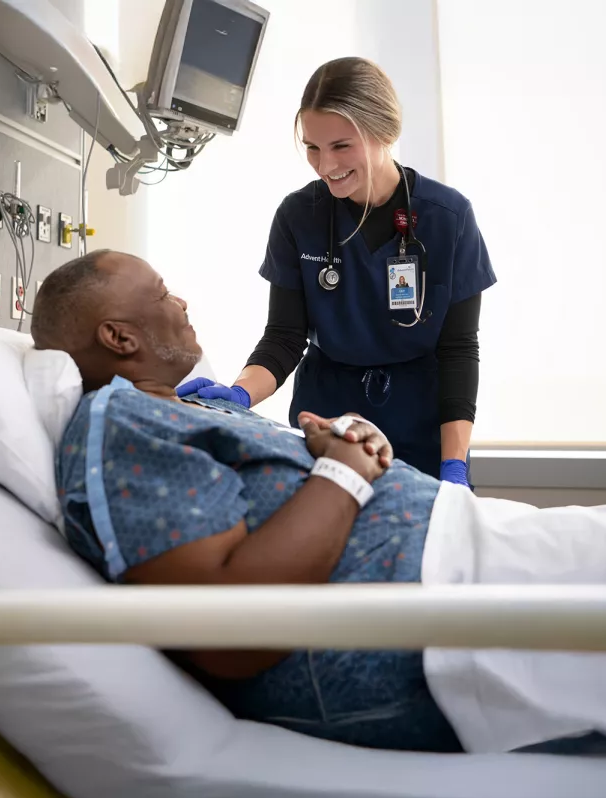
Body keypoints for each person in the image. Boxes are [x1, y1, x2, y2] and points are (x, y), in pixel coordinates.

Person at [32, 249, 606, 757]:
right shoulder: (122, 424)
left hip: (459, 556)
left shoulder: (183, 407)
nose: (181, 301)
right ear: (118, 335)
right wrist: (345, 472)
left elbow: (314, 489)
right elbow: (229, 632)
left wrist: (353, 447)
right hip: (434, 608)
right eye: (163, 292)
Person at [178, 57, 497, 488]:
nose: (325, 165)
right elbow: (285, 337)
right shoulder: (299, 217)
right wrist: (239, 394)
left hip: (423, 427)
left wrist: (453, 464)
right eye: (312, 147)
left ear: (384, 132)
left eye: (341, 146)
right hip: (327, 423)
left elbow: (459, 350)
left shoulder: (448, 218)